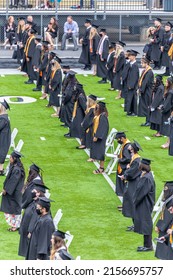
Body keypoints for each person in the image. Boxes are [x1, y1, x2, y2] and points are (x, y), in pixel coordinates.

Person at [18, 182, 48, 258]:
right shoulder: (34, 201)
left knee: (30, 253)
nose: (33, 193)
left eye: (36, 192)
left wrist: (31, 231)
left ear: (40, 193)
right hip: (27, 230)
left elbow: (36, 219)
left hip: (31, 233)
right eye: (34, 191)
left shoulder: (40, 205)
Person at [133, 158, 155, 252]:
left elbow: (141, 192)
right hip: (146, 202)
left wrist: (135, 201)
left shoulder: (146, 178)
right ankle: (147, 245)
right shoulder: (147, 175)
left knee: (146, 223)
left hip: (145, 203)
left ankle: (148, 246)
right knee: (145, 222)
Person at [0, 151, 25, 232]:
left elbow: (13, 181)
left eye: (11, 157)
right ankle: (15, 225)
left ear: (14, 159)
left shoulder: (17, 169)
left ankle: (16, 226)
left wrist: (6, 190)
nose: (10, 159)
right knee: (13, 208)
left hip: (15, 193)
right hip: (14, 192)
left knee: (15, 209)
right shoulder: (16, 166)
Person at [119, 140, 142, 231]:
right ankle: (134, 224)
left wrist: (125, 175)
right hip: (132, 183)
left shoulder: (137, 160)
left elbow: (133, 172)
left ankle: (136, 225)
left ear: (132, 149)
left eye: (130, 147)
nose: (128, 147)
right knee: (131, 204)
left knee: (133, 204)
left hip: (134, 184)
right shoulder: (134, 158)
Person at [155, 181, 173, 259]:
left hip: (167, 228)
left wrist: (159, 225)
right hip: (167, 231)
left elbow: (167, 217)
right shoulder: (170, 198)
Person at [90, 101, 109, 174]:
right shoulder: (100, 115)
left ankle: (101, 168)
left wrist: (97, 136)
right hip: (98, 135)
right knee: (98, 151)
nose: (96, 108)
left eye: (97, 107)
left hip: (101, 137)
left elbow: (102, 127)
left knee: (101, 152)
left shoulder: (103, 116)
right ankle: (100, 167)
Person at [137, 56, 154, 126]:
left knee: (147, 106)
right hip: (145, 90)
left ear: (146, 63)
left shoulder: (149, 72)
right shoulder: (145, 71)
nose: (141, 64)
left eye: (142, 63)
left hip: (148, 91)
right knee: (146, 106)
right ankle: (147, 120)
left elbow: (145, 82)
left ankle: (149, 121)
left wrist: (140, 90)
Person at [115, 131, 131, 198]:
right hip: (124, 167)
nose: (118, 141)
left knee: (124, 186)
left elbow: (127, 158)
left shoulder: (127, 146)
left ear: (122, 138)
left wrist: (120, 160)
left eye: (118, 139)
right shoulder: (126, 144)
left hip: (124, 168)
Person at [160, 76, 173, 149]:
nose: (165, 83)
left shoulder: (170, 92)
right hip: (169, 111)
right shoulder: (169, 91)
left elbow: (168, 103)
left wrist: (163, 108)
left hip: (169, 112)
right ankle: (168, 142)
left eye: (167, 82)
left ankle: (168, 143)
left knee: (169, 128)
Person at [125, 49, 139, 116]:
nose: (129, 57)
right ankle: (129, 110)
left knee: (133, 98)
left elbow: (134, 76)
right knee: (129, 98)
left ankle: (134, 111)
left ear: (134, 57)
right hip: (128, 83)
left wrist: (131, 85)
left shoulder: (135, 65)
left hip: (132, 85)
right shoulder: (130, 64)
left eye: (130, 56)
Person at [0, 100, 11, 176]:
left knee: (1, 153)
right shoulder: (4, 117)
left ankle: (0, 170)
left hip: (3, 139)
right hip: (3, 138)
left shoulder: (3, 119)